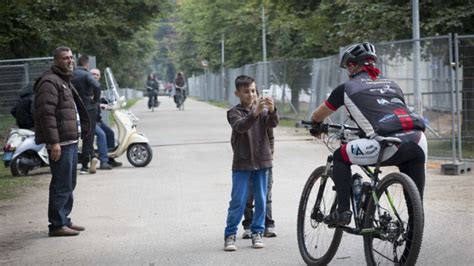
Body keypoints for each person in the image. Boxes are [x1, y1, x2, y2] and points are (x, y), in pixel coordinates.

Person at [310, 42, 427, 226]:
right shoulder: (393, 85)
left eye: (348, 67)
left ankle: (343, 212)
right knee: (415, 205)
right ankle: (411, 239)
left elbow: (318, 115)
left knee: (339, 156)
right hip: (418, 140)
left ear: (352, 65)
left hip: (388, 144)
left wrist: (315, 125)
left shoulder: (346, 88)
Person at [34, 46, 91, 237]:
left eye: (71, 57)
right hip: (61, 144)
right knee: (61, 183)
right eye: (65, 58)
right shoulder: (49, 82)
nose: (69, 61)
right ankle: (57, 225)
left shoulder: (63, 80)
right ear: (56, 61)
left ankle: (65, 219)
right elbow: (46, 114)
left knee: (69, 182)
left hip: (70, 141)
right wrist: (54, 142)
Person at [224, 75, 279, 251]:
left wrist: (271, 110)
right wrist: (255, 113)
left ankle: (257, 232)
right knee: (238, 201)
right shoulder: (234, 112)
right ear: (237, 93)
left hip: (262, 162)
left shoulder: (262, 111)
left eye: (253, 91)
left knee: (262, 200)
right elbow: (240, 126)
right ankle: (230, 234)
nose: (251, 94)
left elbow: (273, 123)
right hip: (242, 164)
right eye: (246, 91)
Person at [242, 109, 277, 239]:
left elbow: (271, 136)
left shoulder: (265, 115)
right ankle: (248, 225)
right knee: (248, 195)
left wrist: (269, 154)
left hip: (264, 162)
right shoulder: (241, 115)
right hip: (247, 162)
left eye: (254, 94)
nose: (251, 97)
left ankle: (268, 224)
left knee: (266, 195)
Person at [71, 54, 101, 174]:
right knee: (89, 135)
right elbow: (97, 86)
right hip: (88, 108)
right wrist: (95, 100)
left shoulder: (71, 75)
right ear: (87, 64)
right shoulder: (86, 74)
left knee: (74, 136)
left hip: (74, 107)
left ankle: (86, 158)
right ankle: (84, 165)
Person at [89, 68, 121, 172]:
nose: (94, 76)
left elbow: (103, 99)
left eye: (97, 75)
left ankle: (110, 159)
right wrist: (100, 105)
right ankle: (103, 161)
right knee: (102, 135)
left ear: (99, 77)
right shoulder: (87, 88)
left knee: (110, 133)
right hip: (90, 121)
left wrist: (114, 101)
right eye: (93, 74)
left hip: (97, 120)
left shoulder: (97, 88)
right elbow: (88, 102)